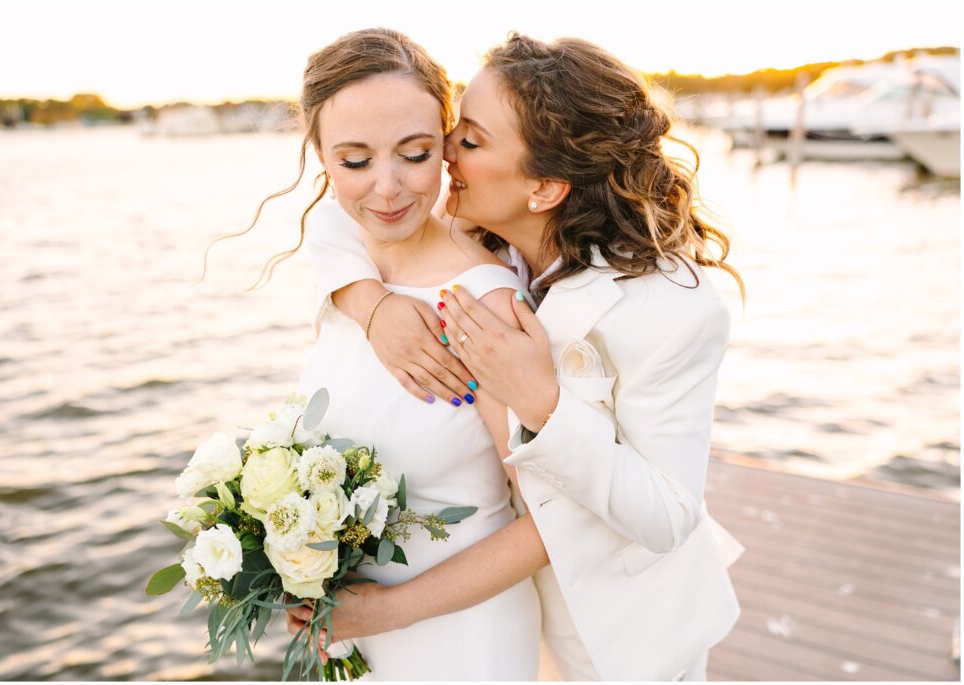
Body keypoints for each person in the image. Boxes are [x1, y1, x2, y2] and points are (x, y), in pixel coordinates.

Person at [288, 33, 746, 681]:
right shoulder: (473, 222)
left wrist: (543, 402)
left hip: (615, 633)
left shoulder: (671, 309)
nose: (443, 156)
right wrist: (372, 305)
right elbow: (342, 218)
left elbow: (670, 513)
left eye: (465, 140)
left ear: (545, 188)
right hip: (496, 607)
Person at [212, 28, 543, 680]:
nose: (387, 190)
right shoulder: (346, 267)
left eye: (415, 154)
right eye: (356, 161)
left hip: (462, 641)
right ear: (322, 157)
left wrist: (393, 610)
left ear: (447, 143)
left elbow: (552, 524)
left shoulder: (487, 306)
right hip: (356, 641)